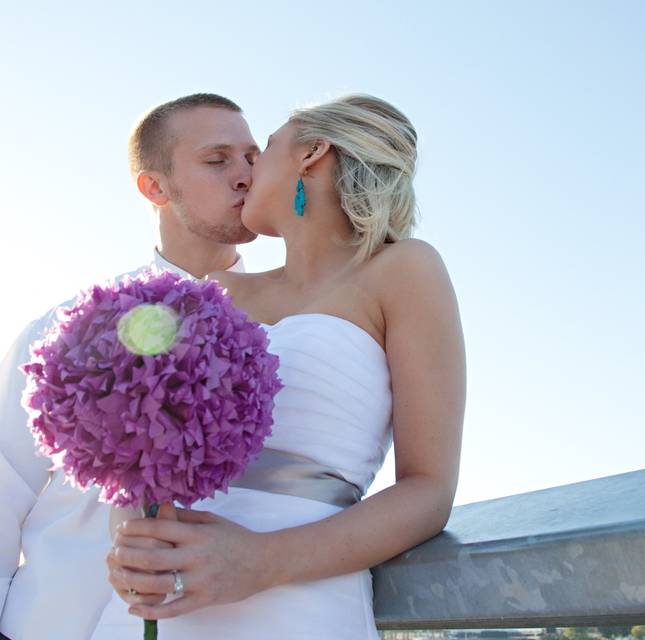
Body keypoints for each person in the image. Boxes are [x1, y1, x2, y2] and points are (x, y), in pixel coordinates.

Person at [93, 94, 466, 639]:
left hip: (299, 600)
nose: (245, 174)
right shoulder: (211, 294)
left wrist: (260, 561)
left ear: (312, 154)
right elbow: (144, 461)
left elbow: (429, 489)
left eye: (262, 150)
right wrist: (133, 543)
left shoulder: (404, 269)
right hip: (167, 603)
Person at [0, 92, 260, 640]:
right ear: (154, 187)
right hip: (52, 624)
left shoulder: (291, 334)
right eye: (218, 160)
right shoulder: (66, 329)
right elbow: (4, 485)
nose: (245, 176)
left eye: (253, 158)